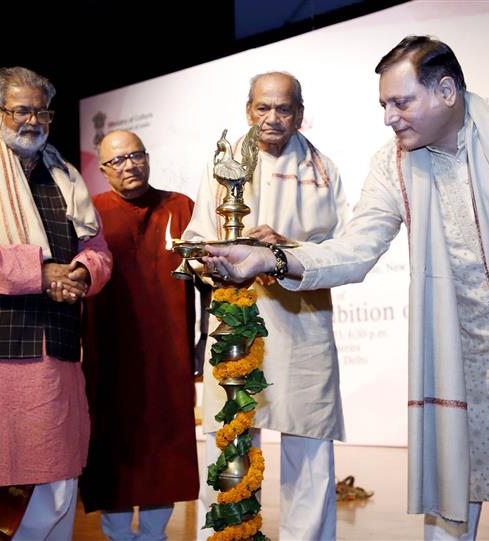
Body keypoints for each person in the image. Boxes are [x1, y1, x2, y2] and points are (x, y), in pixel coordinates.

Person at [203, 36, 489, 540]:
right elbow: (355, 248)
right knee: (451, 486)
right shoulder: (395, 164)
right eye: (384, 104)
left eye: (400, 102)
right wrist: (273, 258)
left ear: (446, 90)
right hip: (461, 352)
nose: (389, 117)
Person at [0, 66, 113, 540]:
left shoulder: (67, 177)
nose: (33, 120)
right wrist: (39, 272)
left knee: (56, 476)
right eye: (22, 110)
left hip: (54, 350)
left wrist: (82, 273)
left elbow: (98, 250)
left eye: (42, 111)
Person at [182, 71, 349, 540]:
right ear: (247, 110)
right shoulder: (222, 164)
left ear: (300, 113)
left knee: (309, 441)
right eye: (263, 108)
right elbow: (196, 239)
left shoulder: (325, 169)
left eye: (283, 109)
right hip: (237, 321)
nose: (272, 118)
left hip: (303, 323)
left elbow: (344, 249)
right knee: (229, 436)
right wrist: (210, 262)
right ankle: (224, 536)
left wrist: (285, 248)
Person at [78, 129, 205, 540]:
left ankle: (154, 535)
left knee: (163, 447)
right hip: (107, 356)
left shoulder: (180, 207)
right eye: (117, 161)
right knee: (113, 445)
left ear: (147, 158)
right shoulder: (89, 213)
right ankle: (116, 535)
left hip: (169, 356)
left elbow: (209, 282)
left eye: (136, 156)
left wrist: (204, 344)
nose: (129, 165)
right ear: (102, 169)